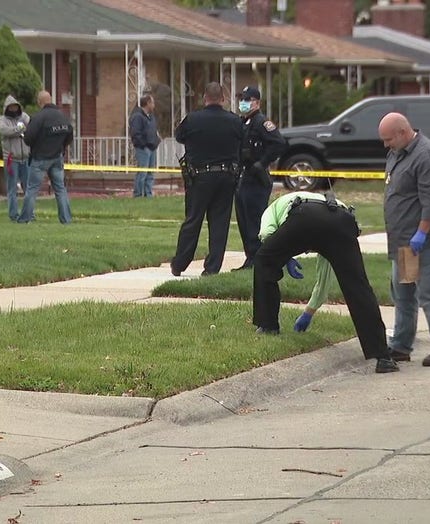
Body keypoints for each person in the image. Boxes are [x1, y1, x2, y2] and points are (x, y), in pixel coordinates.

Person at [252, 191, 400, 374]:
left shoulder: (272, 209)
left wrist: (284, 256)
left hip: (304, 216)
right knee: (357, 285)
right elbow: (325, 276)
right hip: (342, 220)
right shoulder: (326, 203)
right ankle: (382, 356)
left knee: (262, 260)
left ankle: (268, 325)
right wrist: (310, 311)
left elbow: (267, 235)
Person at [378, 112, 430, 367]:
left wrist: (422, 233)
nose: (386, 144)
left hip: (425, 242)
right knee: (403, 294)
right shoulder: (397, 154)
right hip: (404, 242)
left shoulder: (427, 156)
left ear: (402, 132)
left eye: (389, 139)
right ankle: (401, 346)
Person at [170, 82, 243, 276]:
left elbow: (179, 136)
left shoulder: (193, 119)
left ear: (205, 98)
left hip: (199, 177)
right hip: (226, 176)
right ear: (223, 99)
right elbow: (242, 142)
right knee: (220, 223)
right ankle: (212, 268)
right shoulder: (235, 121)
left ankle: (179, 264)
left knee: (193, 220)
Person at [233, 85, 287, 271]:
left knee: (254, 219)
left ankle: (258, 258)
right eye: (242, 99)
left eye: (247, 100)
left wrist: (262, 162)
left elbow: (278, 144)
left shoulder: (261, 122)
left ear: (257, 103)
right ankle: (250, 257)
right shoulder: (243, 122)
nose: (243, 103)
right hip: (243, 176)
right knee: (243, 219)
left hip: (256, 178)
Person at [19, 91, 73, 224]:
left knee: (32, 189)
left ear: (39, 102)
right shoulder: (63, 116)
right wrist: (61, 148)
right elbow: (69, 135)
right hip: (57, 158)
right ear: (51, 100)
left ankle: (25, 218)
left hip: (40, 158)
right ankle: (66, 219)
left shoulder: (39, 117)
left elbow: (28, 138)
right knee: (60, 189)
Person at [0, 95, 31, 221]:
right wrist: (19, 129)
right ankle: (13, 215)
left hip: (25, 158)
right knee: (12, 189)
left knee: (28, 188)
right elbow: (4, 131)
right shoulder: (2, 119)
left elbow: (31, 125)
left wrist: (19, 130)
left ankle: (29, 214)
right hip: (11, 160)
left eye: (15, 106)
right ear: (7, 108)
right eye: (11, 107)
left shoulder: (24, 116)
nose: (13, 109)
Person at [129, 94, 160, 197]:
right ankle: (138, 194)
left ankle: (148, 193)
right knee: (142, 172)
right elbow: (135, 133)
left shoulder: (151, 117)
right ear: (148, 103)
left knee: (150, 173)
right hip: (143, 149)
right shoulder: (137, 116)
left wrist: (156, 141)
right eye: (152, 103)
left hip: (152, 148)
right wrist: (143, 145)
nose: (154, 105)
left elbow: (154, 131)